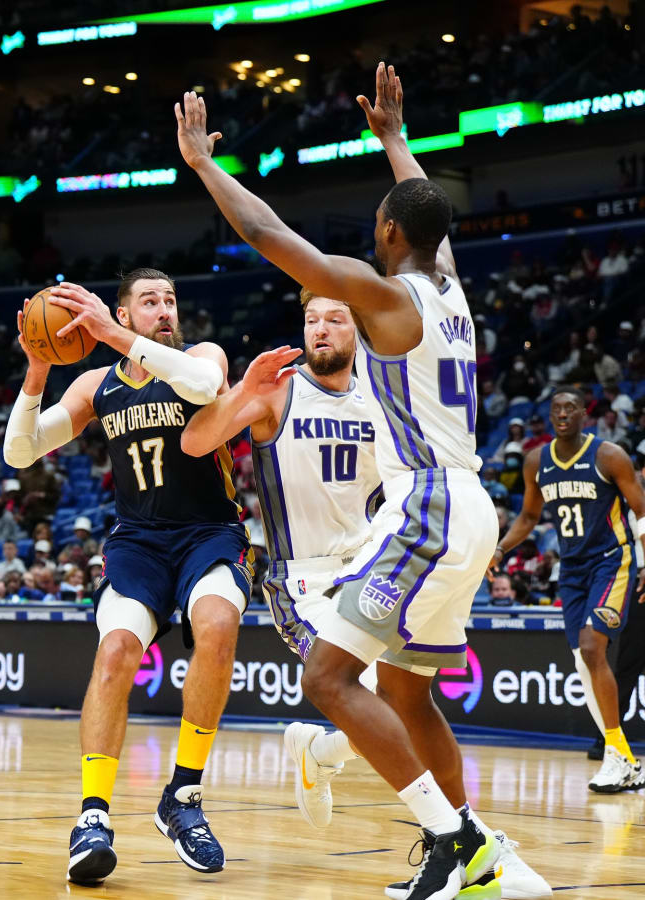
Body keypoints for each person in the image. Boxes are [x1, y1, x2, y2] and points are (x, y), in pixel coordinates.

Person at [177, 64, 500, 898]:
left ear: (389, 234)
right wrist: (395, 139)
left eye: (382, 225)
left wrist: (208, 167)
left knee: (325, 680)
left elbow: (273, 239)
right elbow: (427, 209)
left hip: (426, 503)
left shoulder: (388, 298)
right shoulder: (448, 287)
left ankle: (460, 839)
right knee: (407, 694)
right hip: (470, 507)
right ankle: (450, 859)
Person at [183, 288, 549, 898]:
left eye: (334, 319)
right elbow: (196, 442)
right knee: (372, 692)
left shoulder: (381, 399)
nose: (320, 329)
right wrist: (243, 391)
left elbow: (407, 484)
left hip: (373, 559)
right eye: (311, 320)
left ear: (359, 331)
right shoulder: (278, 386)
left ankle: (328, 756)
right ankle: (464, 839)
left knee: (405, 699)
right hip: (303, 578)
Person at [5, 267, 296, 884]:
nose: (164, 308)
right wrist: (36, 369)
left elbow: (204, 384)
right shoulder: (95, 384)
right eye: (148, 301)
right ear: (125, 310)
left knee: (217, 624)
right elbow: (20, 452)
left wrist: (113, 334)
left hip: (208, 533)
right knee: (114, 652)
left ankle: (183, 798)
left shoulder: (201, 356)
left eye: (169, 299)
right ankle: (92, 817)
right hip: (137, 542)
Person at [493, 386, 645, 792]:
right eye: (556, 408)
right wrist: (500, 548)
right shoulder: (535, 461)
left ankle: (615, 756)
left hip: (613, 561)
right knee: (583, 661)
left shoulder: (609, 456)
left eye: (570, 408)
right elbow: (528, 516)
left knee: (594, 647)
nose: (562, 414)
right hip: (573, 568)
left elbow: (641, 508)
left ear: (584, 414)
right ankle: (625, 758)